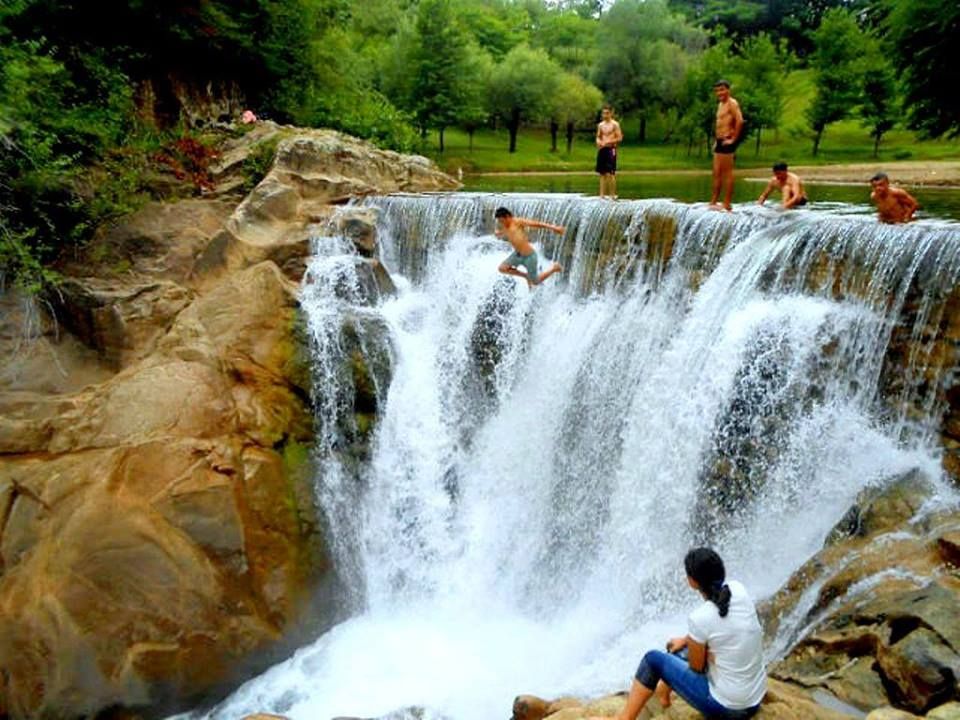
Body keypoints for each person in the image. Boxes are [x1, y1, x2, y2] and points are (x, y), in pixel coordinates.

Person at [594, 548, 767, 720]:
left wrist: (703, 652)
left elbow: (696, 668)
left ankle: (624, 718)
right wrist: (687, 640)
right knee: (684, 648)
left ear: (692, 582)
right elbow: (723, 629)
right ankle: (663, 693)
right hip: (754, 700)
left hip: (726, 709)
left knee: (653, 659)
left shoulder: (700, 618)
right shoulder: (739, 590)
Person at [494, 207, 564, 288]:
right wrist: (499, 233)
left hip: (529, 257)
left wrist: (554, 228)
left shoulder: (518, 221)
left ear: (507, 216)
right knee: (502, 268)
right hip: (517, 255)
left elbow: (536, 224)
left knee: (535, 281)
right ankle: (526, 276)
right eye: (499, 221)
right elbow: (507, 232)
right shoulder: (505, 226)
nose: (501, 223)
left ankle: (554, 268)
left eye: (501, 220)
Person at [710, 81, 744, 212]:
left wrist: (734, 139)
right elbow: (720, 123)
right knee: (716, 173)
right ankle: (713, 201)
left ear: (728, 90)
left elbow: (740, 121)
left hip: (727, 140)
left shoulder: (732, 103)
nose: (720, 93)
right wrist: (716, 141)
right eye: (717, 90)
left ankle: (727, 203)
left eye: (722, 90)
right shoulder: (720, 104)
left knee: (727, 174)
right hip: (719, 141)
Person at [596, 106, 624, 199]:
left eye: (607, 113)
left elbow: (619, 138)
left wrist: (608, 142)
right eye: (604, 113)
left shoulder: (615, 124)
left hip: (611, 149)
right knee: (602, 172)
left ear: (611, 113)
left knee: (611, 172)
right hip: (602, 149)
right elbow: (598, 136)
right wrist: (599, 142)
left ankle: (612, 195)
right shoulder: (600, 125)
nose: (605, 115)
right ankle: (602, 195)